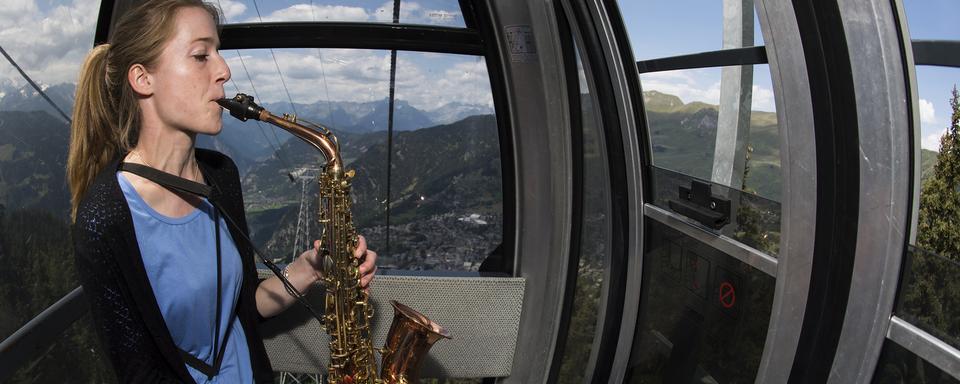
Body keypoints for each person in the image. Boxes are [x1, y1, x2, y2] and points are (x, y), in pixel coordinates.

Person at [67, 1, 377, 382]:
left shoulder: (221, 175)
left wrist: (309, 269)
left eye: (218, 52)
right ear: (142, 79)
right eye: (201, 55)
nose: (224, 71)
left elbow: (244, 310)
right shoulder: (105, 217)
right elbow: (138, 373)